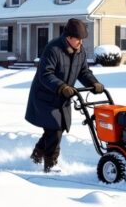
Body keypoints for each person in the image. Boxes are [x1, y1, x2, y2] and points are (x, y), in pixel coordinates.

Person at [25, 18, 105, 172]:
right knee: (54, 130)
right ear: (68, 37)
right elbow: (45, 74)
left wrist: (94, 83)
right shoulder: (53, 49)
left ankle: (36, 157)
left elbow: (84, 72)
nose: (81, 43)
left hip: (62, 97)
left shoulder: (80, 52)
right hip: (45, 97)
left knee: (55, 130)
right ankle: (51, 164)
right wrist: (61, 87)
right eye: (78, 39)